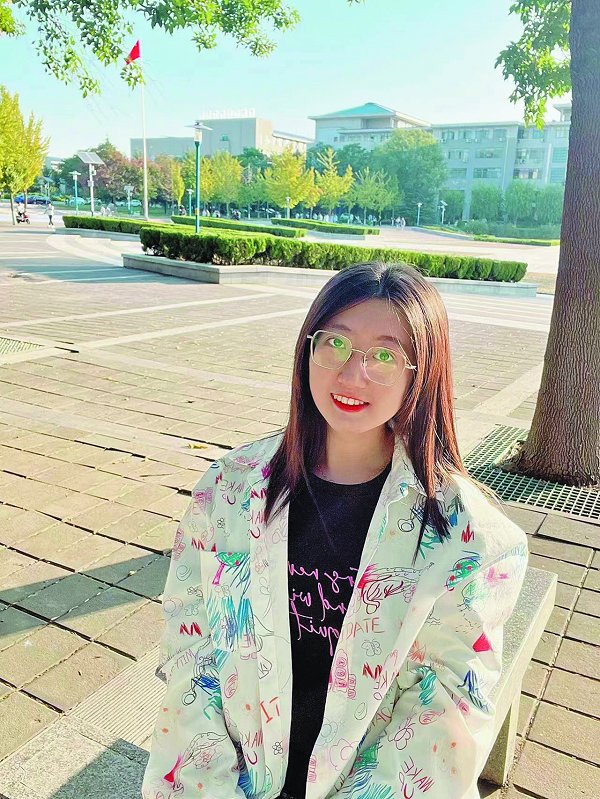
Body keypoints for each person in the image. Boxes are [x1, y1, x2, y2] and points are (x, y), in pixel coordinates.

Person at [142, 262, 528, 799]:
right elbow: (192, 647)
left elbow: (447, 709)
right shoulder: (228, 489)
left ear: (421, 374)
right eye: (335, 344)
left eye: (385, 356)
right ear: (308, 349)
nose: (352, 375)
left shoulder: (469, 538)